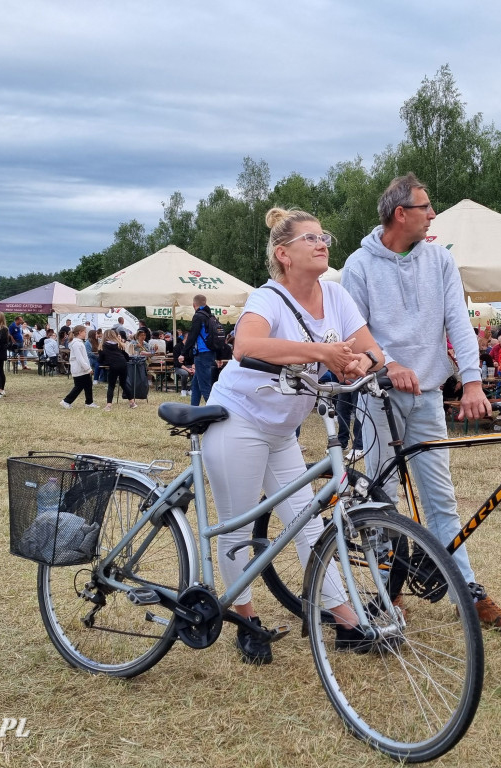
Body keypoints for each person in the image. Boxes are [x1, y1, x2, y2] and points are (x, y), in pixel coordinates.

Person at [342, 172, 501, 633]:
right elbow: (352, 333)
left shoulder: (439, 261)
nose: (432, 215)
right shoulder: (358, 266)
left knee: (440, 496)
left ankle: (468, 590)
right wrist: (386, 366)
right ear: (400, 213)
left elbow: (458, 323)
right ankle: (388, 591)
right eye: (426, 207)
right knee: (380, 498)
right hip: (376, 396)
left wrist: (471, 382)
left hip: (425, 395)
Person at [203, 206, 383, 664]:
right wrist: (320, 350)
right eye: (310, 239)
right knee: (237, 526)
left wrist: (363, 362)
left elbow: (372, 351)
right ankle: (245, 620)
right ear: (283, 254)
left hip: (282, 431)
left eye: (324, 237)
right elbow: (246, 346)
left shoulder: (337, 297)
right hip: (236, 420)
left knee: (309, 524)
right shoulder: (268, 298)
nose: (322, 243)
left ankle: (347, 623)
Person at [180, 294, 219, 406]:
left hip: (202, 354)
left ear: (194, 305)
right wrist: (219, 356)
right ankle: (193, 410)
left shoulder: (198, 316)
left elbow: (192, 336)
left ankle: (215, 413)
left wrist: (183, 353)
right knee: (196, 384)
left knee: (205, 386)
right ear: (205, 303)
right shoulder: (210, 316)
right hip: (210, 353)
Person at [60, 325, 98, 409]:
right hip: (79, 369)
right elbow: (80, 358)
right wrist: (87, 368)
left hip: (82, 368)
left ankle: (89, 402)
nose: (85, 333)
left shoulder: (79, 343)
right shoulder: (76, 344)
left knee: (88, 385)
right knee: (79, 386)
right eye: (84, 332)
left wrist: (87, 368)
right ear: (80, 332)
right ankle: (66, 401)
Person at [98, 328, 133, 411]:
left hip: (113, 366)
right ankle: (132, 402)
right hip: (123, 364)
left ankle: (108, 405)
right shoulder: (119, 345)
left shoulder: (103, 346)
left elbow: (100, 360)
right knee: (123, 383)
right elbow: (127, 357)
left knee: (111, 385)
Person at [0, 311, 9, 396]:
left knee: (0, 370)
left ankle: (1, 388)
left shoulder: (3, 329)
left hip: (0, 352)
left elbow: (2, 340)